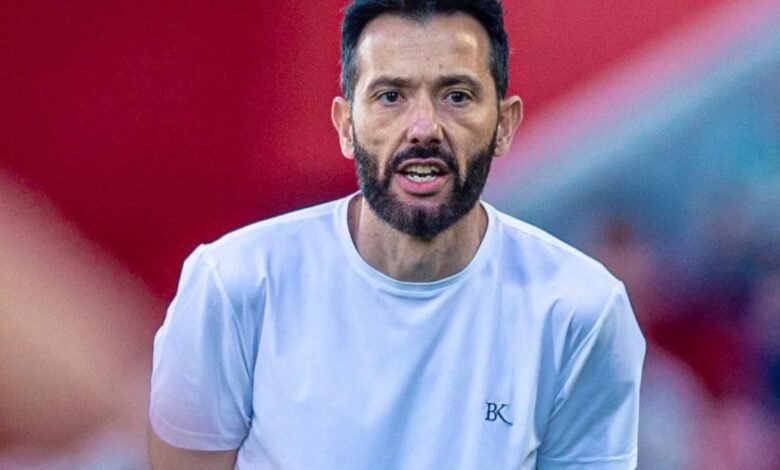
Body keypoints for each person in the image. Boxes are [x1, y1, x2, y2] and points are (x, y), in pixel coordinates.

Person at [148, 1, 646, 468]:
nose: (424, 128)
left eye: (456, 96)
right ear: (346, 126)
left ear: (504, 125)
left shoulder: (580, 312)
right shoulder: (235, 285)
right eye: (391, 96)